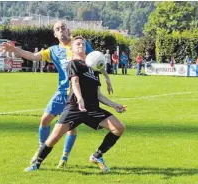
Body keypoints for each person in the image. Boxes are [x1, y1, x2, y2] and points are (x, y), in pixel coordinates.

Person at [0, 21, 113, 168]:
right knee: (45, 120)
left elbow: (96, 61)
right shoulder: (53, 50)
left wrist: (107, 77)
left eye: (63, 28)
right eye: (57, 29)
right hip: (61, 92)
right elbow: (33, 56)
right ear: (55, 34)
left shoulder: (79, 44)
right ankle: (40, 149)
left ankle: (64, 158)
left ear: (68, 30)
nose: (61, 31)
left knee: (71, 128)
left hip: (76, 93)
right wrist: (15, 50)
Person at [24, 36, 126, 172]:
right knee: (54, 137)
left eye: (83, 44)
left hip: (92, 109)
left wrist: (114, 105)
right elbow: (75, 83)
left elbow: (99, 95)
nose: (81, 46)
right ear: (71, 49)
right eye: (77, 44)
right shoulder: (73, 64)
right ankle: (36, 164)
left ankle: (97, 156)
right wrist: (79, 99)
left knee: (119, 128)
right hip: (74, 107)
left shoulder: (93, 68)